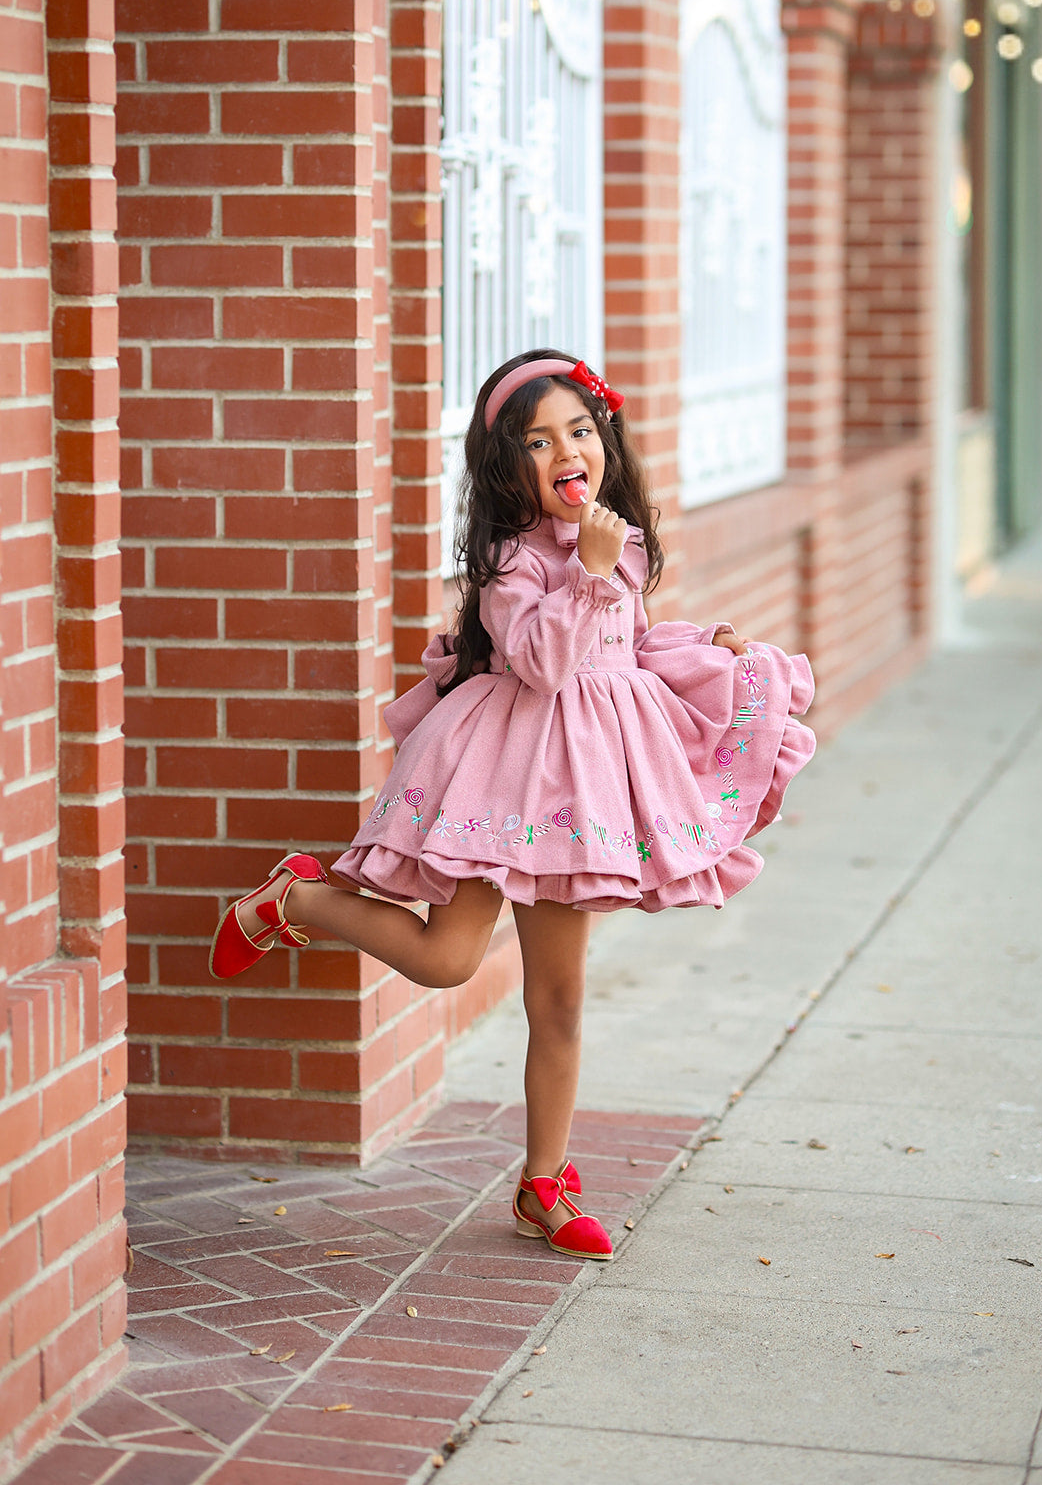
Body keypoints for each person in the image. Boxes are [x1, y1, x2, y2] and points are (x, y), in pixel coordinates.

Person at [209, 349, 816, 1262]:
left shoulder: (618, 540)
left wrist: (704, 645)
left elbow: (628, 642)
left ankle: (544, 1181)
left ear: (602, 439)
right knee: (450, 961)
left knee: (561, 996)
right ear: (505, 465)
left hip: (587, 789)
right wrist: (586, 573)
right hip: (502, 778)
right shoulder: (508, 561)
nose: (566, 451)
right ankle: (298, 899)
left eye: (580, 429)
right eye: (537, 441)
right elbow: (539, 660)